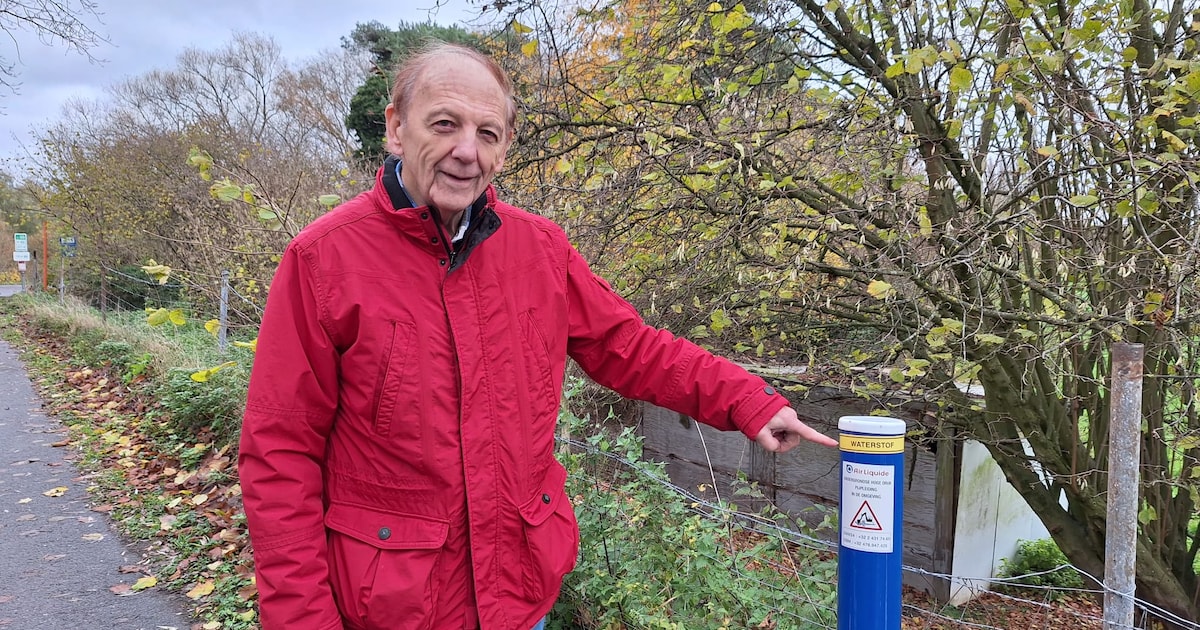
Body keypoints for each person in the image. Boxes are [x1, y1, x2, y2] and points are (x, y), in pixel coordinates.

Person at [237, 41, 838, 630]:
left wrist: (747, 400)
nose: (466, 151)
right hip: (389, 609)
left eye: (487, 133)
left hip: (520, 600)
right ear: (396, 128)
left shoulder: (539, 250)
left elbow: (629, 347)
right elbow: (279, 453)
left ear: (504, 150)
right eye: (444, 124)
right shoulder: (323, 259)